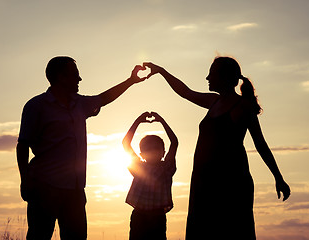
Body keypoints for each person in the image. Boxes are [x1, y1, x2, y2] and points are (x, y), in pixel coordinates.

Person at [144, 57, 291, 240]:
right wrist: (161, 71)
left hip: (230, 182)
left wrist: (278, 177)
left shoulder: (242, 107)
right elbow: (185, 92)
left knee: (231, 231)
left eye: (211, 73)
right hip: (204, 181)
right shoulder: (213, 101)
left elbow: (260, 144)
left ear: (223, 77)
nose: (207, 77)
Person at [16, 56, 146, 240]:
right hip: (44, 188)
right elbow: (23, 145)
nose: (80, 79)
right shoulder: (36, 106)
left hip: (75, 190)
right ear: (61, 77)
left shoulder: (80, 104)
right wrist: (25, 180)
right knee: (39, 235)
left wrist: (131, 81)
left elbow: (104, 98)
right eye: (75, 75)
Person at [123, 112, 178, 240]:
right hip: (139, 215)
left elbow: (174, 142)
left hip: (157, 216)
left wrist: (162, 121)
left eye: (155, 148)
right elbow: (126, 143)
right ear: (142, 154)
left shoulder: (166, 168)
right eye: (148, 149)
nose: (152, 152)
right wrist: (138, 121)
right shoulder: (139, 168)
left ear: (163, 152)